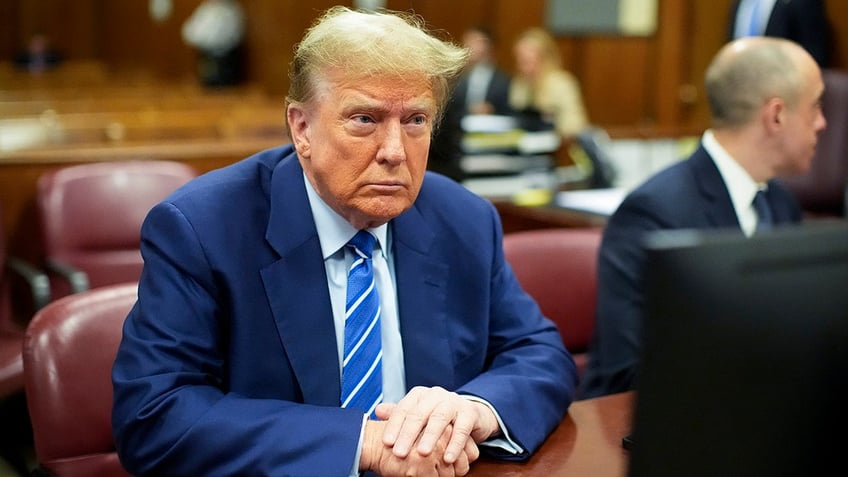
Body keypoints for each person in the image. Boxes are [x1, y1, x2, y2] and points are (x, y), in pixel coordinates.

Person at [111, 6, 577, 477]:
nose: (395, 151)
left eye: (415, 120)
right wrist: (364, 443)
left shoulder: (464, 218)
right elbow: (155, 415)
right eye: (364, 119)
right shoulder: (203, 228)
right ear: (302, 128)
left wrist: (474, 411)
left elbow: (540, 354)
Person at [580, 36, 826, 399]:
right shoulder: (653, 213)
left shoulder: (780, 203)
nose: (822, 123)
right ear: (776, 115)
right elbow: (627, 371)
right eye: (815, 107)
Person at [428, 26, 512, 182]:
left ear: (488, 45)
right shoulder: (455, 79)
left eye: (476, 42)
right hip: (457, 149)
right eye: (468, 41)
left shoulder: (504, 80)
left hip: (490, 146)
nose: (470, 47)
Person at [508, 27, 588, 140]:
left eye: (527, 61)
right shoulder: (519, 83)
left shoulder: (562, 83)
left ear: (545, 59)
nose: (522, 67)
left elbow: (575, 126)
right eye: (519, 61)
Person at [728, 0, 832, 68]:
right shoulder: (739, 3)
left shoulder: (802, 3)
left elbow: (814, 52)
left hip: (783, 90)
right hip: (739, 86)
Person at [181, 0, 246, 86]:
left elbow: (222, 37)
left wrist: (202, 38)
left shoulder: (230, 11)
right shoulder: (206, 8)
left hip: (225, 59)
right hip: (206, 56)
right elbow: (189, 32)